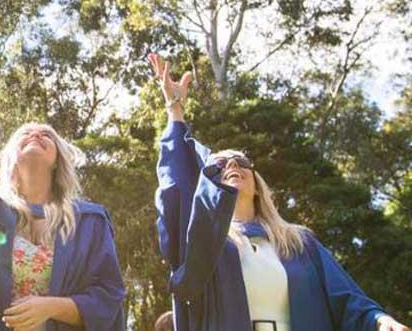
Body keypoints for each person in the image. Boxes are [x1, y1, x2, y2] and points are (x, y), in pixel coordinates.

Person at [149, 53, 410, 331]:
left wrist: (380, 320)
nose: (232, 164)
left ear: (259, 185)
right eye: (220, 165)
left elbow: (346, 298)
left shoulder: (300, 244)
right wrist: (174, 109)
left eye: (241, 161)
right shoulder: (205, 246)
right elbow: (176, 189)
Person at [0, 46, 126, 331]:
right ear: (9, 160)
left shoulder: (89, 222)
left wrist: (52, 306)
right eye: (25, 134)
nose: (35, 135)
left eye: (46, 135)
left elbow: (108, 297)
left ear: (58, 161)